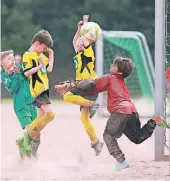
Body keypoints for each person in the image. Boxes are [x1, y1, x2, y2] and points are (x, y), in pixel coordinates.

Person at [55, 56, 169, 170]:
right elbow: (95, 88)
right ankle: (154, 121)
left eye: (114, 65)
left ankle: (121, 161)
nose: (111, 66)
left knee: (108, 135)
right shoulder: (121, 81)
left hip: (120, 111)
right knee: (137, 138)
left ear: (119, 71)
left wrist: (72, 85)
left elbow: (92, 85)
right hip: (132, 110)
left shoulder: (109, 77)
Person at [62, 15, 103, 156]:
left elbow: (85, 40)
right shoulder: (78, 55)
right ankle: (96, 142)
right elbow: (75, 40)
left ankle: (92, 105)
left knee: (67, 96)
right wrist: (79, 29)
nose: (78, 45)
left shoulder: (88, 52)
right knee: (84, 119)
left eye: (81, 44)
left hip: (88, 84)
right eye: (78, 44)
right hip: (85, 87)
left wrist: (85, 25)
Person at [1, 50, 40, 159]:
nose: (12, 60)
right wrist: (16, 75)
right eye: (9, 59)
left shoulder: (20, 68)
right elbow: (14, 88)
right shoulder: (4, 77)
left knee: (37, 132)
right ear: (2, 63)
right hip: (21, 105)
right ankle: (27, 154)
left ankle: (27, 147)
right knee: (29, 129)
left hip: (31, 103)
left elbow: (28, 75)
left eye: (12, 58)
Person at [22, 29, 55, 148]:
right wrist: (39, 66)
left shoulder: (40, 55)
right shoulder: (28, 55)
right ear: (37, 44)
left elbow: (49, 68)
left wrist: (51, 55)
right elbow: (26, 73)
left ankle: (30, 150)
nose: (45, 50)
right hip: (38, 91)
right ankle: (27, 136)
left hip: (44, 90)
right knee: (50, 115)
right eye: (44, 48)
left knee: (39, 119)